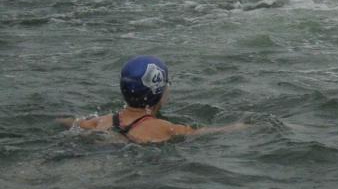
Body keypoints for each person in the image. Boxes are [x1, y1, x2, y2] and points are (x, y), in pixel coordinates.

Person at [57, 56, 246, 144]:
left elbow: (70, 123)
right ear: (159, 91)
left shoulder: (100, 121)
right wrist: (243, 126)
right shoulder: (165, 128)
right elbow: (204, 132)